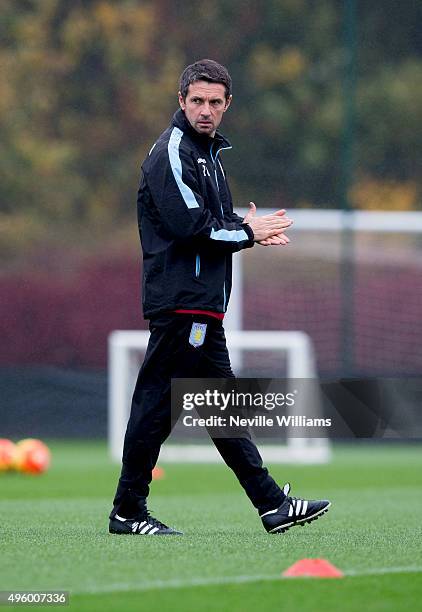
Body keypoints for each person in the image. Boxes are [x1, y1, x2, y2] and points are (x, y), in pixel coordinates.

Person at [109, 59, 330, 535]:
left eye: (214, 102)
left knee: (212, 405)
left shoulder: (209, 156)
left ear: (227, 105)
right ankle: (128, 511)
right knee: (160, 407)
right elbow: (191, 228)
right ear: (181, 101)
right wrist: (246, 232)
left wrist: (242, 228)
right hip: (181, 302)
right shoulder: (172, 152)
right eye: (197, 101)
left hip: (203, 305)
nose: (205, 110)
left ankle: (271, 505)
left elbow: (215, 222)